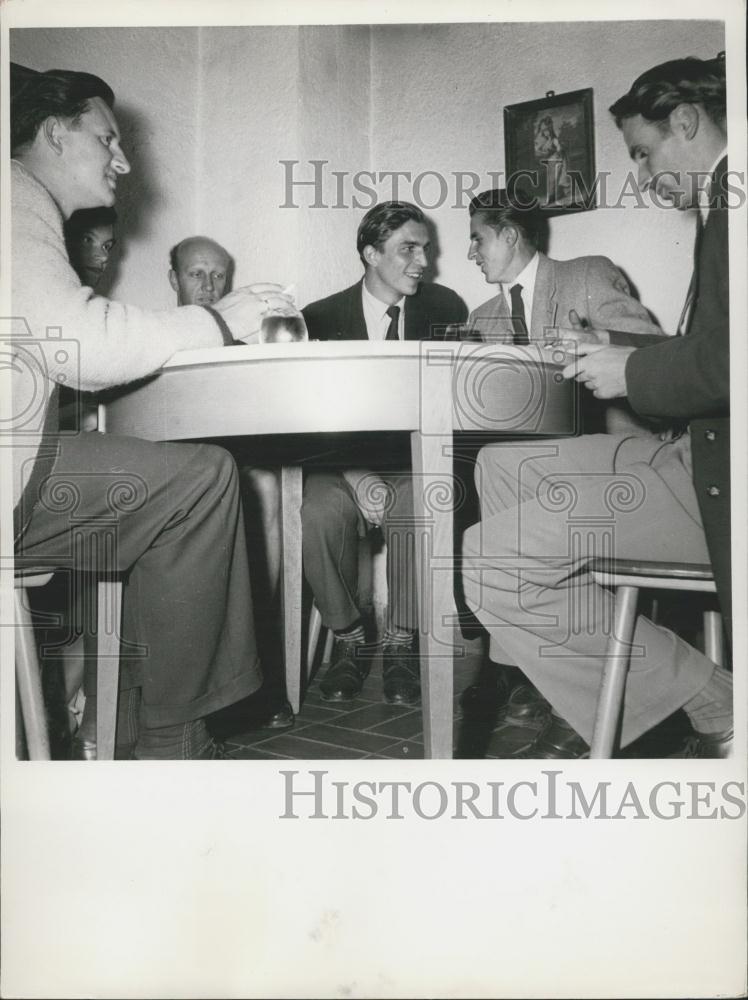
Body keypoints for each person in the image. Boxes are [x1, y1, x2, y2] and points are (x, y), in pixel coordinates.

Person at [9, 65, 293, 759]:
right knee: (201, 481)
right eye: (107, 139)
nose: (124, 159)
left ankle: (122, 724)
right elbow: (81, 345)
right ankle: (175, 740)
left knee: (165, 491)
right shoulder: (16, 197)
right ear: (54, 133)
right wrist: (219, 321)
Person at [461, 54, 732, 759]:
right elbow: (713, 347)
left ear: (687, 122)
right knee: (500, 466)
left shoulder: (730, 206)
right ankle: (547, 673)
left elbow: (707, 360)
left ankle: (711, 699)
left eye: (643, 155)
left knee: (486, 558)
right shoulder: (723, 207)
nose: (641, 176)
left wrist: (631, 366)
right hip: (689, 449)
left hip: (715, 475)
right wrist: (607, 346)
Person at [462, 187, 665, 728]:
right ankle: (529, 669)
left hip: (624, 458)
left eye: (477, 239)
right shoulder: (480, 318)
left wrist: (597, 342)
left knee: (515, 473)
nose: (471, 253)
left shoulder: (587, 274)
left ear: (509, 234)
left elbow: (657, 354)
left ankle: (539, 674)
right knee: (496, 465)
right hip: (534, 470)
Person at [300, 201, 467, 705]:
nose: (422, 262)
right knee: (317, 512)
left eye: (426, 249)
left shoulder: (445, 309)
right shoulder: (319, 317)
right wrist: (355, 473)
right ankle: (348, 637)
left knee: (421, 503)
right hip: (339, 464)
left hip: (414, 462)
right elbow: (304, 417)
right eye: (407, 249)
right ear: (371, 254)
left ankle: (401, 641)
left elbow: (451, 405)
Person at [166, 234, 293, 730]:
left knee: (265, 494)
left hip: (233, 466)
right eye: (196, 274)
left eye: (219, 276)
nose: (208, 285)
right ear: (173, 278)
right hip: (174, 474)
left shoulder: (244, 343)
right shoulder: (157, 334)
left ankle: (257, 676)